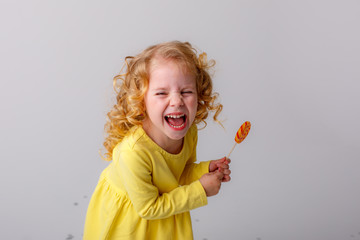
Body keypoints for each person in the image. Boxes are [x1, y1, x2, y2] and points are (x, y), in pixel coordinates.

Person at [83, 41, 231, 240]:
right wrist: (200, 190)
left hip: (164, 210)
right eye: (162, 93)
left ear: (199, 94)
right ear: (141, 100)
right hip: (131, 222)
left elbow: (178, 174)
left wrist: (205, 170)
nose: (177, 101)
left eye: (186, 91)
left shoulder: (189, 132)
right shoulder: (133, 152)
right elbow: (149, 208)